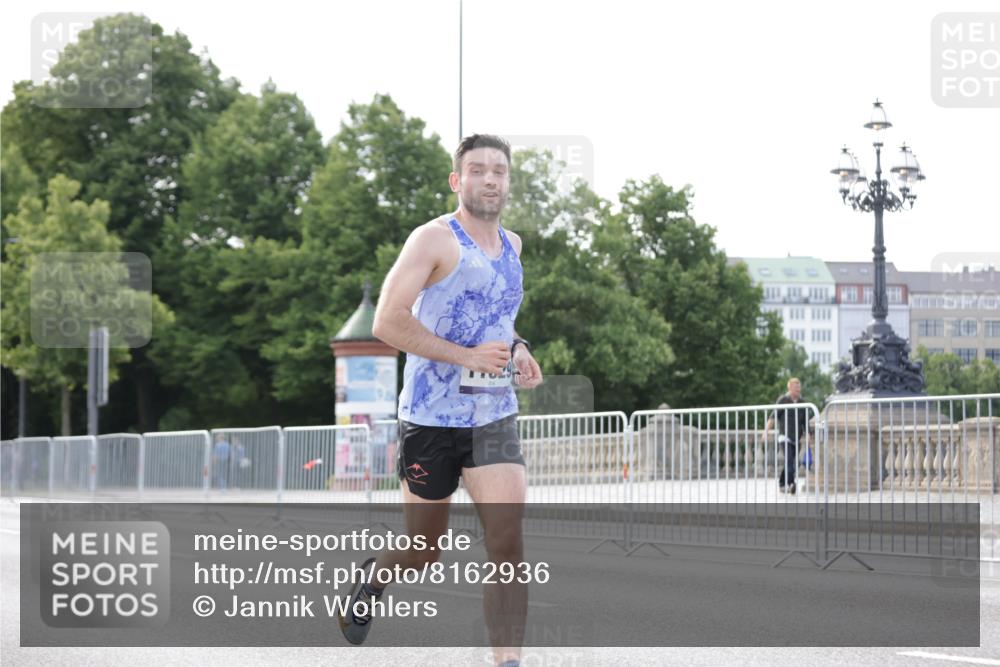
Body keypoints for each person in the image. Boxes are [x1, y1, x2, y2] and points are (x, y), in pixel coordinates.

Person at [342, 134, 542, 667]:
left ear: (508, 181)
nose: (490, 179)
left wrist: (518, 348)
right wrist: (466, 356)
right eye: (477, 170)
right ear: (457, 180)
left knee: (506, 542)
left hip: (492, 414)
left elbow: (498, 318)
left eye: (498, 170)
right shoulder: (432, 239)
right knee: (423, 549)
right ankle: (374, 577)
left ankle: (507, 661)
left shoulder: (514, 246)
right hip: (430, 418)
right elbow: (387, 321)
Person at [763, 378, 811, 495]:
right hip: (784, 437)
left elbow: (805, 421)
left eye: (799, 387)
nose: (798, 390)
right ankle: (791, 484)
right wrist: (766, 431)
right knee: (789, 460)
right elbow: (773, 416)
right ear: (789, 388)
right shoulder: (783, 400)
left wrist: (808, 434)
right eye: (795, 387)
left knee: (791, 463)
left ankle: (782, 483)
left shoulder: (802, 402)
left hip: (796, 438)